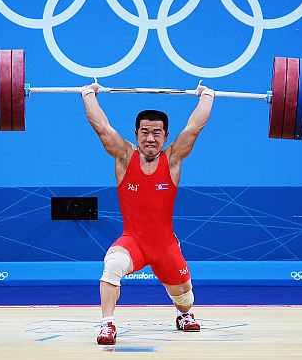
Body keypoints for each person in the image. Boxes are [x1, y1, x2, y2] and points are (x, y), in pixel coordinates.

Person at [80, 81, 215, 345]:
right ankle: (107, 325)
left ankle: (183, 315)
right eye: (144, 132)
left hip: (165, 246)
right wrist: (88, 95)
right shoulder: (123, 157)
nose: (150, 138)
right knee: (112, 266)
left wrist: (207, 96)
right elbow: (101, 127)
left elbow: (194, 127)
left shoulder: (173, 159)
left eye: (156, 133)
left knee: (185, 297)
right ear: (136, 133)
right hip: (134, 241)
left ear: (165, 136)